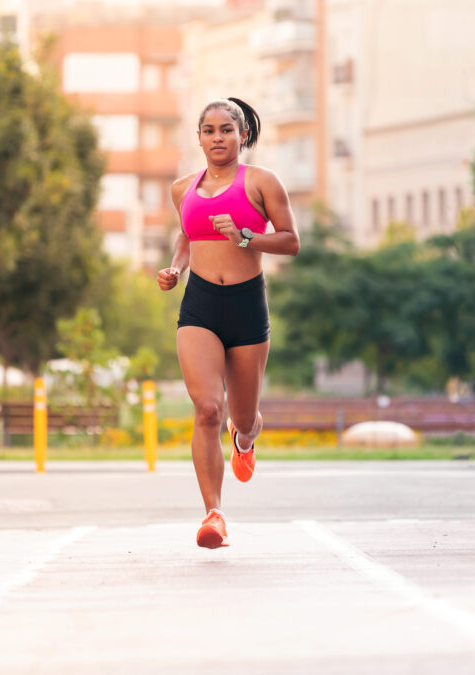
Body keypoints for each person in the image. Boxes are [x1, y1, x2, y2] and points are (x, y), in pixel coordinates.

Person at [157, 97, 300, 548]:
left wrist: (245, 236)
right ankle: (213, 515)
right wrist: (176, 270)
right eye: (209, 130)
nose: (217, 138)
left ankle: (246, 437)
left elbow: (291, 241)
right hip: (199, 304)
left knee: (240, 416)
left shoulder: (261, 183)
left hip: (246, 306)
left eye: (226, 130)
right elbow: (186, 237)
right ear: (198, 137)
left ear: (242, 136)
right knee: (207, 410)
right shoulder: (183, 189)